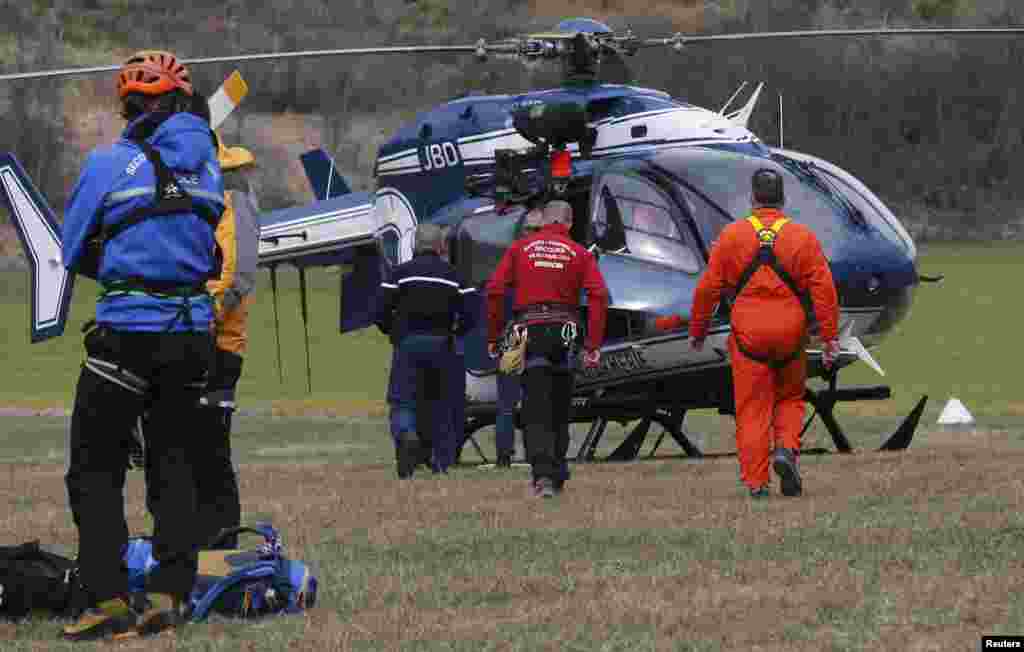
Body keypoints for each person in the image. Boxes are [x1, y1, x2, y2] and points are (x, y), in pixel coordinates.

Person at [60, 50, 224, 640]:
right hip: (192, 337)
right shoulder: (208, 166)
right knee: (173, 463)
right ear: (182, 102)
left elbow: (70, 245)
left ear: (129, 106)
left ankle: (105, 598)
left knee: (93, 468)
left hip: (128, 335)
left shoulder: (112, 162)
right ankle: (169, 593)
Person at [657, 168, 840, 498]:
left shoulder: (731, 237)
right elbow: (824, 291)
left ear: (753, 199)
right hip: (790, 335)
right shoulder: (802, 237)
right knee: (789, 398)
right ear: (782, 199)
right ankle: (785, 450)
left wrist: (697, 332)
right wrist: (829, 339)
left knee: (753, 409)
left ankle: (757, 484)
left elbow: (707, 292)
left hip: (748, 339)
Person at [486, 200, 609, 498]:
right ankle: (556, 469)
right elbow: (599, 295)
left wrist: (494, 336)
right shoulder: (579, 253)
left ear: (543, 221)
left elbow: (495, 290)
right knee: (559, 403)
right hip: (566, 329)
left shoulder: (519, 249)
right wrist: (592, 343)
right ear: (568, 223)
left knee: (534, 403)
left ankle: (543, 475)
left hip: (528, 328)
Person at [375, 223, 477, 478]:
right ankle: (441, 462)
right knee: (442, 404)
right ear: (441, 247)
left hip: (409, 344)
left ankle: (407, 434)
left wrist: (394, 333)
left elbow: (379, 312)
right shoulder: (455, 276)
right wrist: (456, 332)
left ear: (413, 245)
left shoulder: (400, 274)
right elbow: (472, 314)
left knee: (403, 401)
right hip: (443, 344)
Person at [494, 206, 545, 468]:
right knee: (537, 396)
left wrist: (495, 332)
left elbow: (496, 292)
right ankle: (537, 453)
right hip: (543, 328)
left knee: (507, 399)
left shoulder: (513, 255)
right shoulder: (552, 257)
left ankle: (504, 455)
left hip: (515, 330)